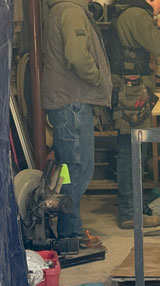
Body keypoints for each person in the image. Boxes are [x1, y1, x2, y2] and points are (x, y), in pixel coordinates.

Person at [42, 0, 112, 239]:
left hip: (68, 100)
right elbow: (77, 57)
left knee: (68, 169)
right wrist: (98, 77)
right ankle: (69, 234)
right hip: (72, 100)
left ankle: (69, 229)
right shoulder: (71, 11)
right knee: (78, 167)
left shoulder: (64, 9)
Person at [110, 0, 160, 229]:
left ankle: (133, 207)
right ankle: (129, 213)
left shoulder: (130, 13)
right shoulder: (137, 15)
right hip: (132, 89)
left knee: (133, 149)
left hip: (130, 88)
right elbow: (159, 46)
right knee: (131, 150)